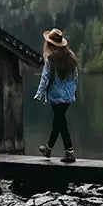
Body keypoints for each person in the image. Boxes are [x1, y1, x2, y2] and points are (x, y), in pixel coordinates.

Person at [34, 27, 79, 163]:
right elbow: (75, 77)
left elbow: (45, 77)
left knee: (59, 121)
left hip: (55, 95)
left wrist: (39, 93)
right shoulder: (71, 57)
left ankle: (65, 151)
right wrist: (73, 91)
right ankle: (52, 149)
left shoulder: (51, 58)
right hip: (68, 96)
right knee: (59, 121)